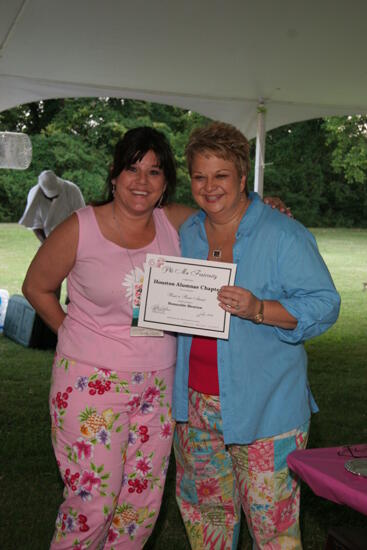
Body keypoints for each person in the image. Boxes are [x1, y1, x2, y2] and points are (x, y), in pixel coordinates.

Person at [22, 126, 290, 549]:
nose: (141, 181)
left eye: (155, 171)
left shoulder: (175, 223)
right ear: (114, 173)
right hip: (92, 386)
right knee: (91, 502)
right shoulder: (80, 227)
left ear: (166, 183)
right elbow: (36, 287)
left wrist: (264, 206)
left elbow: (227, 210)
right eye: (133, 168)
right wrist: (73, 332)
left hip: (159, 388)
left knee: (139, 510)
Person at [172, 122, 341, 550]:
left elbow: (325, 304)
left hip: (267, 410)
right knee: (207, 524)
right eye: (199, 176)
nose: (209, 187)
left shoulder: (282, 234)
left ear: (242, 177)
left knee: (274, 530)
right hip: (195, 410)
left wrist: (260, 309)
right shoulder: (186, 233)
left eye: (221, 176)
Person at [19, 170, 85, 243]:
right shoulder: (34, 196)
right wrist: (47, 245)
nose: (54, 197)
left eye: (56, 195)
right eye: (51, 196)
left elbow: (80, 219)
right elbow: (36, 225)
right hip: (48, 238)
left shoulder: (72, 190)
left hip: (72, 236)